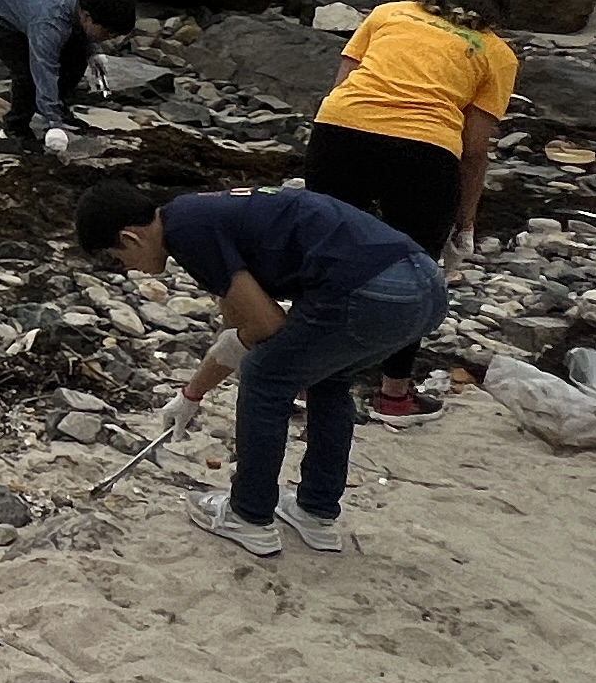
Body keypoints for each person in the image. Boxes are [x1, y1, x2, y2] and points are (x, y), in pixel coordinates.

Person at [74, 175, 447, 558]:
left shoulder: (187, 232)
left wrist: (195, 391)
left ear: (129, 238)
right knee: (329, 378)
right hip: (425, 288)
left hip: (374, 290)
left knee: (263, 376)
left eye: (118, 260)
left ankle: (249, 516)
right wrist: (192, 394)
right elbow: (237, 328)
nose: (128, 270)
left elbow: (266, 327)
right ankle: (315, 513)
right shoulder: (197, 214)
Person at [301, 0, 515, 425]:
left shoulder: (388, 14)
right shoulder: (496, 52)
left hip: (339, 131)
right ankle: (394, 396)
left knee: (322, 252)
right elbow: (474, 149)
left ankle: (301, 376)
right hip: (423, 149)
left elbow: (342, 84)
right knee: (413, 269)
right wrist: (466, 221)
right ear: (493, 19)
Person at [0, 0, 140, 148]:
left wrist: (93, 52)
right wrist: (54, 124)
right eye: (108, 33)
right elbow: (44, 69)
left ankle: (58, 106)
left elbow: (85, 32)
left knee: (76, 56)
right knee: (26, 71)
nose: (109, 38)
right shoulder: (49, 24)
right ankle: (15, 126)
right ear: (86, 17)